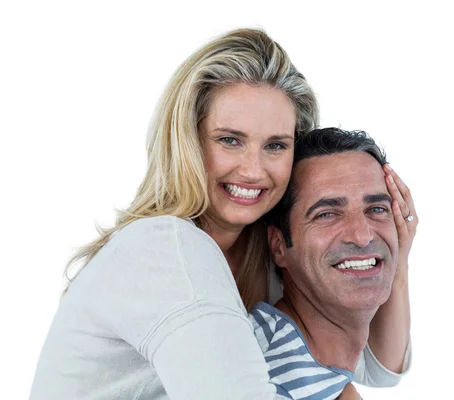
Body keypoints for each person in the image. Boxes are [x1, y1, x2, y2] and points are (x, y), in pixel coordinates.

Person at [29, 28, 416, 399]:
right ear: (188, 142)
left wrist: (395, 255)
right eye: (230, 140)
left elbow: (372, 366)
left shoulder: (259, 246)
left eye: (276, 146)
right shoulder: (167, 251)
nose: (253, 169)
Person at [249, 127, 413, 399]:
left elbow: (386, 370)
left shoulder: (322, 373)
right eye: (327, 214)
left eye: (376, 209)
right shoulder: (257, 373)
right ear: (278, 246)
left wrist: (399, 258)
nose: (362, 236)